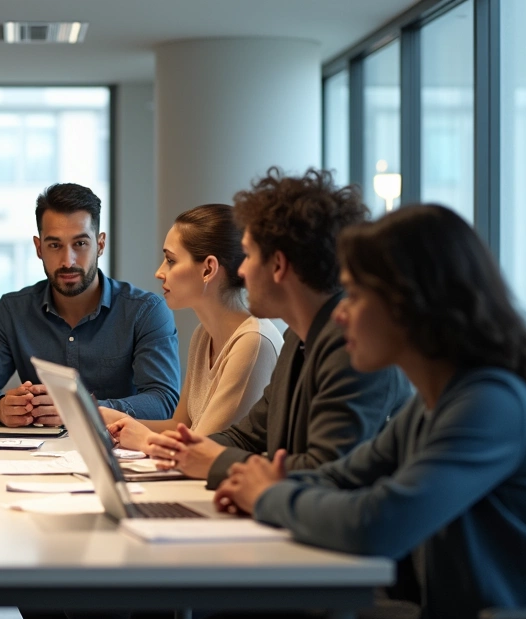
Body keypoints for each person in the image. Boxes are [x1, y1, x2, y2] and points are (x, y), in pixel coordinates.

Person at [213, 204, 526, 619]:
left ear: (411, 303)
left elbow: (377, 525)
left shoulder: (490, 404)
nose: (341, 314)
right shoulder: (433, 404)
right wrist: (267, 487)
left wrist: (268, 495)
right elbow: (340, 478)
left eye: (355, 295)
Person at [142, 168, 410, 488]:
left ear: (278, 265)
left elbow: (324, 468)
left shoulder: (350, 347)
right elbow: (251, 434)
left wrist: (214, 460)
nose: (240, 269)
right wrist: (186, 449)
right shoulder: (297, 336)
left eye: (249, 255)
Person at [0, 183, 181, 427]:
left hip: (119, 453)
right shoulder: (13, 311)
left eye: (80, 244)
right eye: (54, 245)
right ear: (39, 248)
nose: (67, 260)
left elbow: (164, 401)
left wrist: (83, 410)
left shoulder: (145, 311)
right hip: (35, 456)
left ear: (100, 245)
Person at [98, 205, 283, 451]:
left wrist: (142, 438)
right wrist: (115, 419)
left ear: (208, 269)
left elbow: (197, 449)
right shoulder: (203, 334)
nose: (159, 273)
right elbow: (180, 426)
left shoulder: (253, 341)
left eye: (171, 260)